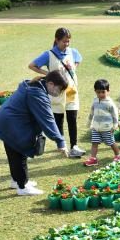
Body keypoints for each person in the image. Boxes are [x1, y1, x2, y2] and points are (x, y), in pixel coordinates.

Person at [0, 70, 69, 196]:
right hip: (11, 125)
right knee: (19, 152)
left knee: (14, 154)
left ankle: (17, 180)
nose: (59, 93)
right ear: (51, 84)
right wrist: (60, 141)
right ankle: (23, 187)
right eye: (59, 89)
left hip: (7, 122)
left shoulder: (34, 85)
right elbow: (47, 118)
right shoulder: (37, 93)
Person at [28, 27, 85, 158]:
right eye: (64, 41)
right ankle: (62, 145)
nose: (67, 44)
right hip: (56, 92)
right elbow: (32, 65)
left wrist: (73, 68)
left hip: (71, 91)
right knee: (58, 119)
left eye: (68, 41)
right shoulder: (48, 54)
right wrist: (48, 74)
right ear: (57, 40)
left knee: (72, 118)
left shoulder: (72, 51)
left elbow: (78, 59)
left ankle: (74, 146)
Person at [83, 79, 120, 167]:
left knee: (111, 143)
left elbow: (115, 115)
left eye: (103, 92)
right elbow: (92, 112)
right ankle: (93, 158)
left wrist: (115, 125)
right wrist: (89, 123)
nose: (100, 94)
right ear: (95, 91)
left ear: (108, 91)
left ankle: (118, 155)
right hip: (96, 127)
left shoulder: (110, 103)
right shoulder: (95, 101)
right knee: (94, 142)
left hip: (107, 128)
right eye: (98, 92)